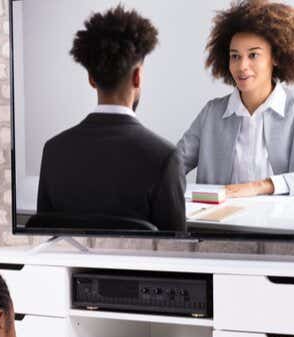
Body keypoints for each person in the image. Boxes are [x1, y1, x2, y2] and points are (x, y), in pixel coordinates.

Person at [36, 5, 186, 232]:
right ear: (137, 77)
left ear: (91, 79)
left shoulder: (53, 151)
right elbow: (178, 253)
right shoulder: (165, 157)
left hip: (70, 268)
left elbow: (47, 239)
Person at [177, 0, 294, 198]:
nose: (242, 66)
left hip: (283, 226)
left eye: (253, 55)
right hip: (218, 226)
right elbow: (173, 166)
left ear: (276, 57)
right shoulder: (212, 113)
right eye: (235, 56)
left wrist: (260, 186)